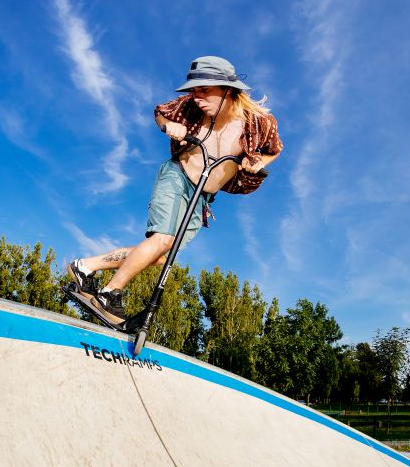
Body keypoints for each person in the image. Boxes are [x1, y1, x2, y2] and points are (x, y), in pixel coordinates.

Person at [67, 55, 283, 325]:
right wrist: (168, 126)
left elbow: (274, 150)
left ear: (228, 90)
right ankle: (110, 292)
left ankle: (85, 266)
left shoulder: (259, 123)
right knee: (162, 239)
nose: (197, 97)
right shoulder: (190, 106)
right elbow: (160, 112)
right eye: (194, 90)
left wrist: (257, 162)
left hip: (202, 197)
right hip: (176, 176)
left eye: (205, 90)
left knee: (160, 256)